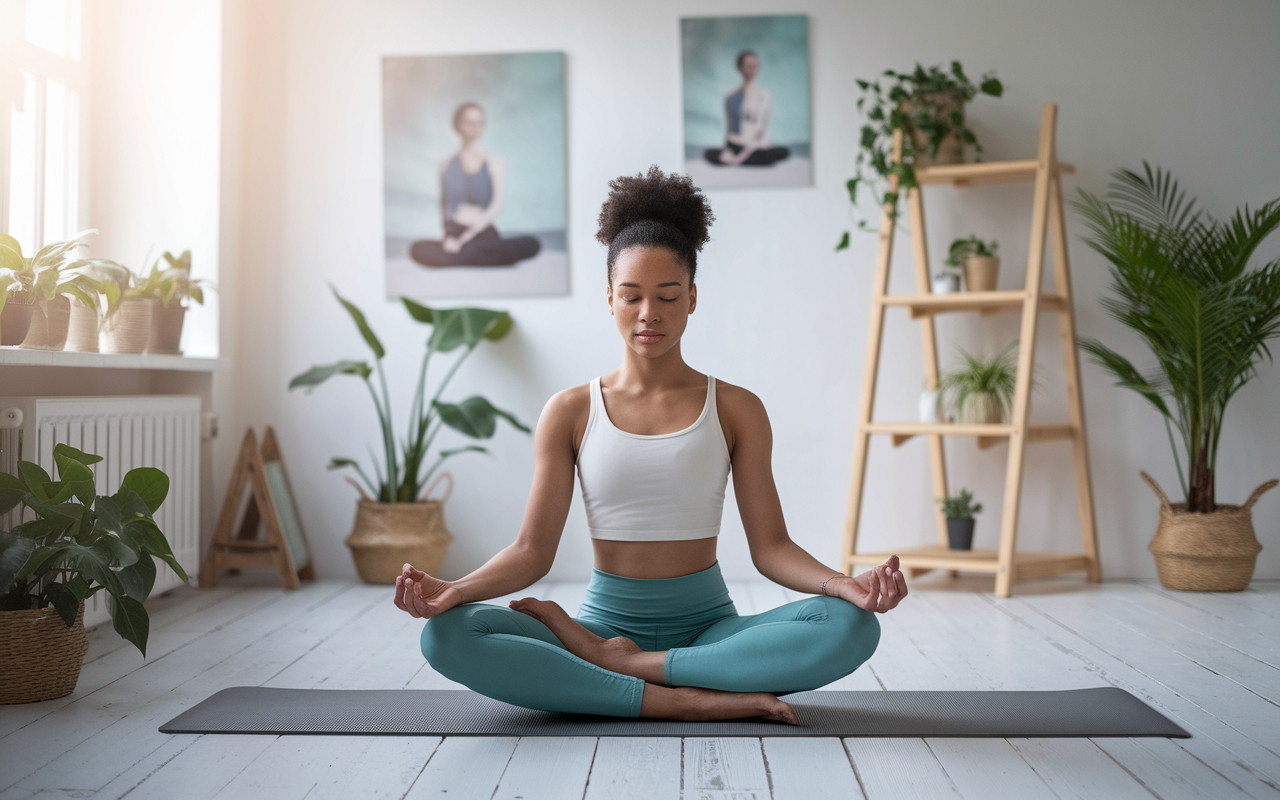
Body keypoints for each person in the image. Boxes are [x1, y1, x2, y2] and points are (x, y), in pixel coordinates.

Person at [394, 166, 906, 724]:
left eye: (667, 296)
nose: (649, 314)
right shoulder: (570, 411)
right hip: (600, 625)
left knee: (852, 625)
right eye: (632, 296)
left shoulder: (737, 408)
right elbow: (530, 552)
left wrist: (843, 585)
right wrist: (454, 589)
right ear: (609, 298)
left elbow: (772, 548)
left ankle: (629, 670)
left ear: (692, 298)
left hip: (711, 630)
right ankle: (681, 697)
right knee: (446, 636)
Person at [409, 102, 541, 268]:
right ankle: (480, 258)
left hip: (484, 231)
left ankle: (463, 256)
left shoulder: (495, 162)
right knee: (417, 249)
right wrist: (450, 236)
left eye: (480, 122)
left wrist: (464, 239)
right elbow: (446, 207)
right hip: (455, 231)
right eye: (469, 122)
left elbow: (496, 206)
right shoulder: (445, 164)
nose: (475, 127)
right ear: (457, 125)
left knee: (531, 243)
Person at [704, 51, 791, 168]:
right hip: (736, 144)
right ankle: (744, 159)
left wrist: (739, 157)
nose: (751, 69)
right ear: (740, 67)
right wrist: (728, 149)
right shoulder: (731, 96)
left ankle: (740, 160)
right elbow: (729, 127)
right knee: (709, 153)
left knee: (782, 152)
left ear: (758, 68)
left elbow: (762, 128)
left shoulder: (765, 96)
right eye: (747, 65)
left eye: (754, 65)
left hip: (755, 145)